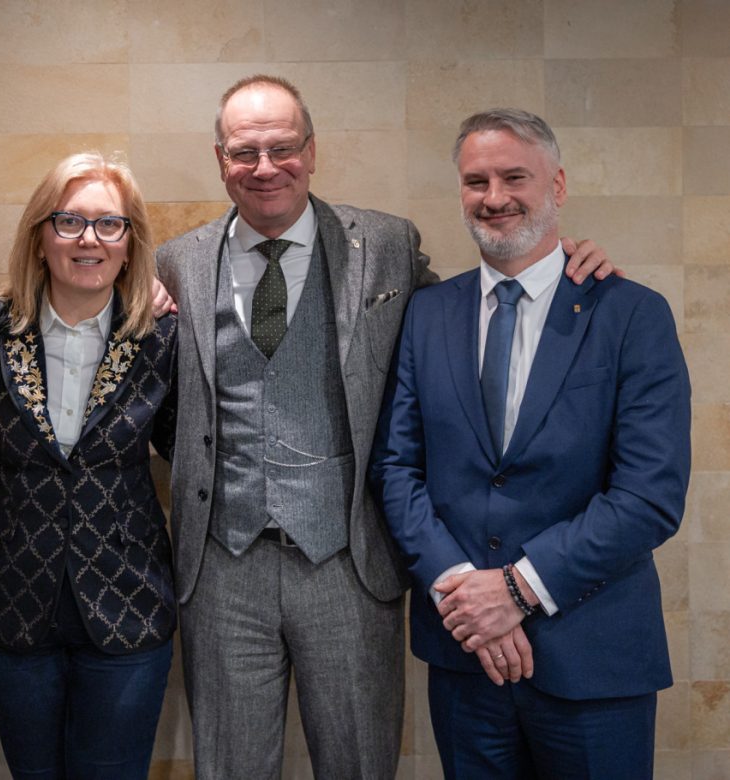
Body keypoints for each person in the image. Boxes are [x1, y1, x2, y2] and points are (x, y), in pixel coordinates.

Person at [155, 75, 615, 779]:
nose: (265, 167)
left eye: (283, 147)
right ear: (221, 160)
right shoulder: (177, 262)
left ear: (312, 151)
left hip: (350, 562)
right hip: (222, 567)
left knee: (361, 764)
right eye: (245, 151)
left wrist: (562, 261)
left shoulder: (387, 246)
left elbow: (471, 314)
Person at [371, 109, 690, 778]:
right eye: (476, 181)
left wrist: (517, 589)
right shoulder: (427, 314)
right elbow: (397, 468)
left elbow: (650, 495)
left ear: (558, 185)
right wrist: (463, 589)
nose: (495, 197)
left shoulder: (632, 314)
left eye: (515, 177)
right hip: (465, 658)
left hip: (593, 657)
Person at [0, 152, 179, 780]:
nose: (89, 239)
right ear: (40, 237)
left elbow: (190, 452)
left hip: (128, 602)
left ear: (130, 244)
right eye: (69, 221)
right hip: (12, 602)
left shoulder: (162, 337)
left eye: (110, 224)